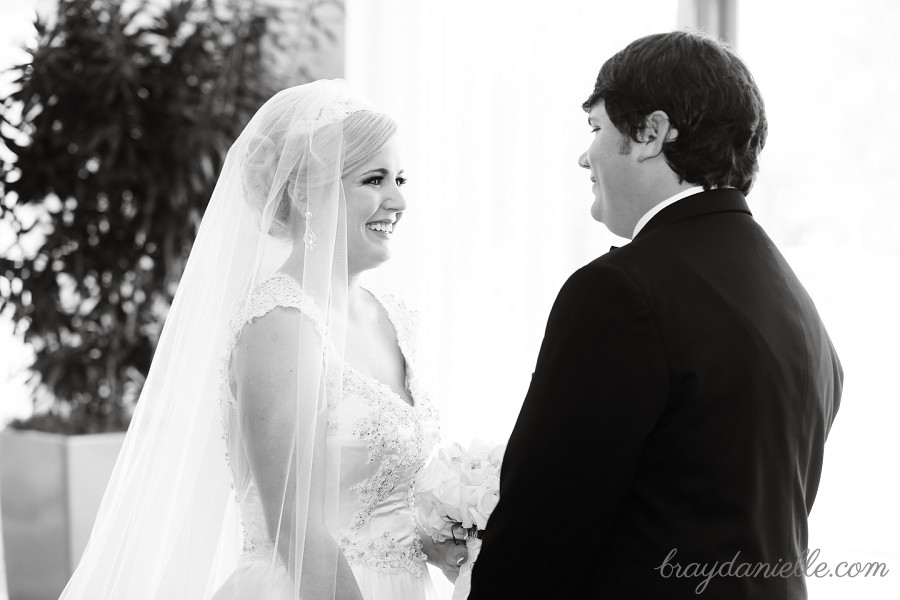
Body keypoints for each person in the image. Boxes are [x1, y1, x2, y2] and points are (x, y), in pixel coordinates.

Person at [469, 31, 842, 599]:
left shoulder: (620, 293)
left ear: (651, 133)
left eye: (596, 128)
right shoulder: (797, 306)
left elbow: (542, 529)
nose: (583, 154)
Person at [60, 80, 466, 600]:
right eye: (374, 179)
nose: (398, 199)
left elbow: (381, 496)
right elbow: (291, 522)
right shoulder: (281, 321)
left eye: (400, 178)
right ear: (306, 195)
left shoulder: (394, 317)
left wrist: (447, 536)